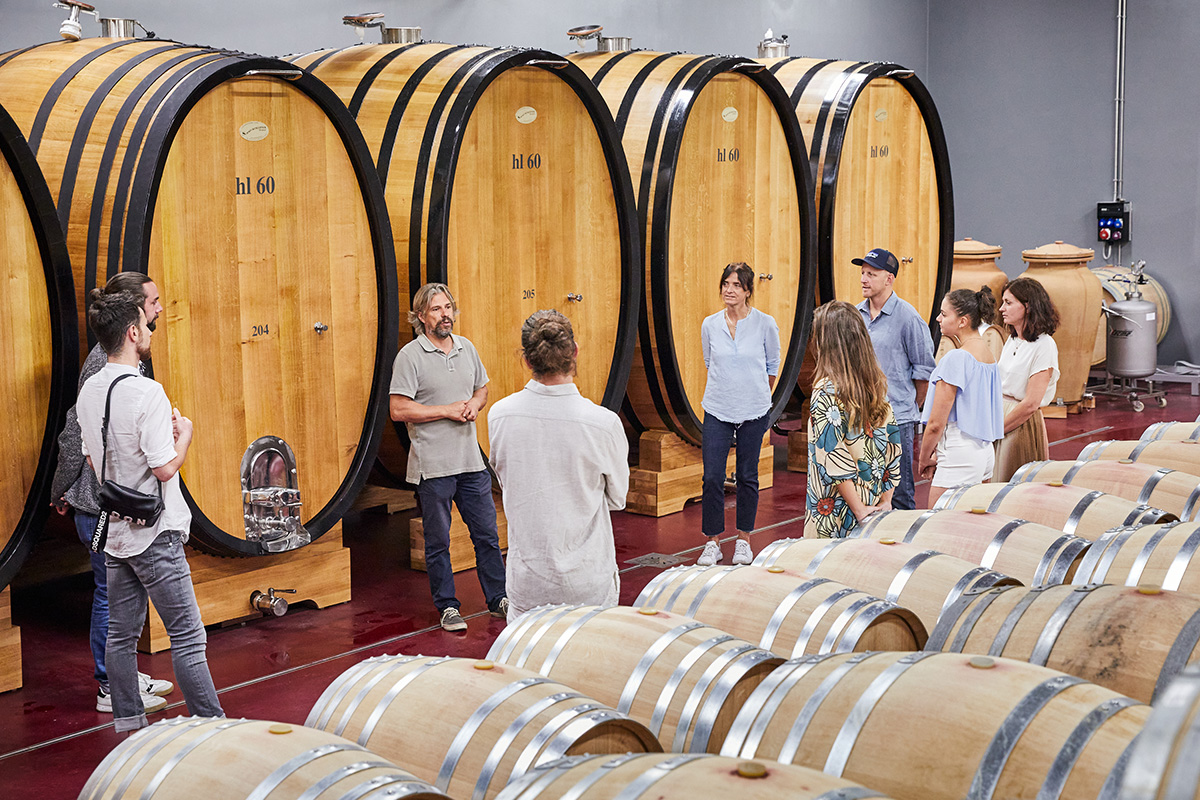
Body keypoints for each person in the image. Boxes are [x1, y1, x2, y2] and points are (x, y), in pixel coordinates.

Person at [76, 290, 223, 733]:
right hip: (155, 534)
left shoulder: (88, 391)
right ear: (132, 332)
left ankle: (128, 723)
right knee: (188, 635)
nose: (151, 329)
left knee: (121, 638)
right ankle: (212, 725)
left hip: (117, 533)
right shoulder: (147, 392)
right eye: (146, 321)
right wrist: (185, 437)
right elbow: (164, 467)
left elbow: (89, 459)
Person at [50, 272, 173, 714]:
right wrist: (61, 486)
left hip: (103, 502)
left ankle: (121, 675)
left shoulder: (124, 358)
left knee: (123, 594)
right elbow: (75, 432)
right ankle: (109, 685)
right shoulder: (104, 364)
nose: (160, 308)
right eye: (153, 302)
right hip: (100, 504)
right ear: (134, 314)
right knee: (109, 593)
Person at [488, 311, 628, 620]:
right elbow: (618, 498)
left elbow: (504, 477)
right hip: (588, 581)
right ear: (575, 352)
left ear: (526, 360)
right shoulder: (603, 423)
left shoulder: (499, 415)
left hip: (529, 583)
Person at [390, 283, 507, 631]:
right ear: (422, 317)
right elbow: (398, 409)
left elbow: (482, 387)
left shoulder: (466, 348)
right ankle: (448, 606)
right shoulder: (410, 356)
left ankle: (498, 597)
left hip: (471, 463)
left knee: (487, 535)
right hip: (434, 467)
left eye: (448, 308)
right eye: (437, 310)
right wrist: (447, 411)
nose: (445, 315)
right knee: (438, 543)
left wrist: (474, 404)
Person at [696, 262, 779, 567]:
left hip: (754, 411)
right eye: (725, 284)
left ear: (747, 291)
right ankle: (713, 540)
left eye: (736, 285)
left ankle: (744, 539)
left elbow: (772, 365)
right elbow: (709, 362)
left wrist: (756, 394)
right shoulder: (710, 324)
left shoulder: (765, 323)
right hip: (718, 407)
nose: (729, 290)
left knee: (747, 476)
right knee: (712, 477)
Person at [806, 301, 902, 538]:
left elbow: (833, 456)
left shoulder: (825, 391)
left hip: (836, 509)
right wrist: (886, 500)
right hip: (875, 501)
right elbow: (892, 445)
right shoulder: (875, 385)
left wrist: (859, 510)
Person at [855, 247, 936, 510]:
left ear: (889, 279)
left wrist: (907, 406)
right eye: (863, 273)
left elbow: (923, 371)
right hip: (862, 417)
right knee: (866, 488)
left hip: (897, 420)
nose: (864, 279)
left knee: (899, 492)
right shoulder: (856, 315)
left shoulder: (908, 318)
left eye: (872, 274)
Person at [918, 289, 1005, 507]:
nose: (938, 318)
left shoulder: (956, 358)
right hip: (984, 453)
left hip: (958, 452)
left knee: (936, 526)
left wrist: (923, 457)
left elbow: (936, 424)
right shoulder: (988, 356)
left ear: (962, 321)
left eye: (944, 314)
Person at [994, 277, 1061, 482]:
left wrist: (997, 430)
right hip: (1001, 416)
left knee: (1010, 483)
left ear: (1028, 306)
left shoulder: (1044, 345)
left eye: (1008, 302)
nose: (1001, 309)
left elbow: (1031, 403)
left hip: (1019, 422)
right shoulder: (1013, 339)